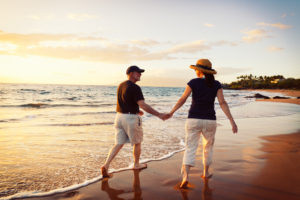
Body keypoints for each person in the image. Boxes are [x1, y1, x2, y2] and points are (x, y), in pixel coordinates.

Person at [166, 59, 238, 188]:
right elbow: (222, 103)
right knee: (208, 148)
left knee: (190, 148)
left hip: (193, 119)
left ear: (199, 71)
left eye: (195, 70)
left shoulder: (193, 82)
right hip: (210, 120)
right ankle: (205, 173)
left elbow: (183, 99)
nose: (195, 71)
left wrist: (171, 112)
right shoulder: (216, 84)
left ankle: (185, 177)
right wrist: (232, 121)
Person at [101, 65, 167, 178]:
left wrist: (137, 110)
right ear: (131, 73)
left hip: (119, 117)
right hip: (130, 119)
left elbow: (126, 102)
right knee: (137, 142)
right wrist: (159, 114)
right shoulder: (135, 87)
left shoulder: (121, 85)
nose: (140, 74)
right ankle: (136, 164)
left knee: (118, 143)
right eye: (138, 72)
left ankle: (106, 165)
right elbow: (142, 104)